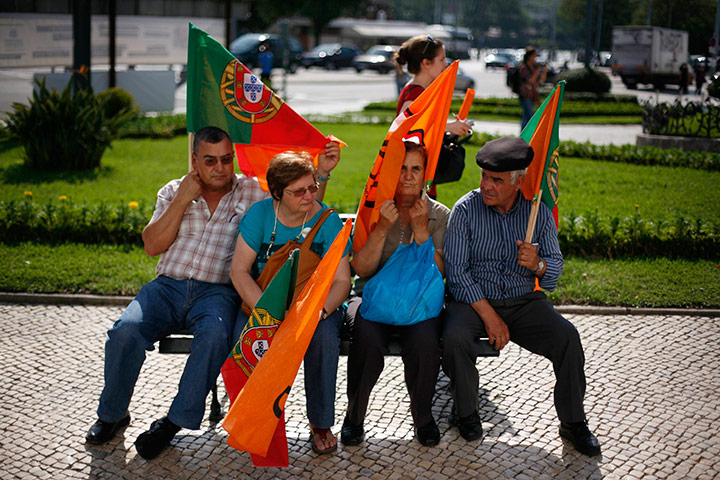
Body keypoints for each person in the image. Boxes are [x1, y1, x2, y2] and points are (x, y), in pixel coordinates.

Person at [85, 126, 340, 460]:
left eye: (226, 159)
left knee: (216, 336)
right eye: (210, 161)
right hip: (165, 288)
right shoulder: (173, 190)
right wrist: (181, 199)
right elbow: (151, 245)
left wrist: (321, 174)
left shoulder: (250, 191)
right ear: (194, 160)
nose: (221, 168)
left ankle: (173, 423)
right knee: (125, 331)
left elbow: (296, 201)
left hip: (216, 293)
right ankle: (112, 414)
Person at [442, 137, 601, 457]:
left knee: (568, 337)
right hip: (475, 301)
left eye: (496, 180)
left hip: (524, 301)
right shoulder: (465, 210)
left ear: (519, 181)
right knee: (454, 335)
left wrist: (538, 264)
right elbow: (457, 274)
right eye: (483, 176)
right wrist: (490, 317)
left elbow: (553, 274)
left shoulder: (537, 213)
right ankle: (466, 412)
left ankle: (572, 422)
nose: (486, 185)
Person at [229, 150, 351, 455]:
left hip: (316, 307)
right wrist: (268, 314)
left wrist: (318, 313)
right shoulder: (260, 215)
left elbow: (341, 282)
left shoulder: (328, 220)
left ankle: (321, 423)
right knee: (246, 340)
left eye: (312, 187)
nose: (310, 196)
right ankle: (255, 421)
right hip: (266, 302)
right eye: (299, 191)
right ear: (277, 193)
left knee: (323, 339)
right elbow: (239, 271)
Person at [341, 141, 450, 448]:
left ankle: (423, 417)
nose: (408, 176)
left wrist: (421, 233)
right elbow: (361, 269)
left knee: (425, 343)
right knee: (365, 337)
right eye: (401, 168)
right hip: (372, 298)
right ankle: (355, 416)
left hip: (420, 300)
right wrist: (380, 229)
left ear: (426, 174)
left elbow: (440, 271)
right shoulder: (374, 208)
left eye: (416, 169)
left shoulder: (438, 214)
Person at [395, 34, 473, 198]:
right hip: (414, 180)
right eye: (442, 59)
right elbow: (407, 126)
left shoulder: (418, 90)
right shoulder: (416, 93)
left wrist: (449, 129)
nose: (446, 64)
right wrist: (448, 126)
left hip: (419, 176)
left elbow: (423, 127)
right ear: (426, 63)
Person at [517, 46, 547, 130]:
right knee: (529, 117)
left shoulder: (533, 67)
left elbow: (541, 80)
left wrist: (544, 70)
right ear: (530, 57)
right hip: (525, 95)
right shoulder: (524, 67)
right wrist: (538, 70)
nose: (536, 59)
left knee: (527, 116)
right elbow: (531, 81)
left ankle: (524, 135)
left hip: (532, 94)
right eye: (534, 56)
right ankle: (524, 136)